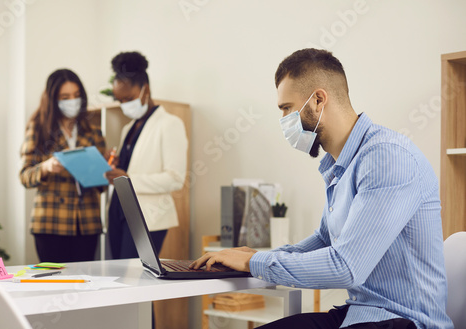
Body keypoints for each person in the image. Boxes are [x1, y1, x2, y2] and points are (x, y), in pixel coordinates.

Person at [191, 49, 453, 329]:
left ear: (318, 100)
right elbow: (325, 239)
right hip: (360, 313)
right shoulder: (341, 165)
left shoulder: (386, 158)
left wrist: (256, 263)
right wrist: (254, 257)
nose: (283, 120)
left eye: (286, 108)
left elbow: (346, 267)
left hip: (404, 321)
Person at [105, 51, 188, 260]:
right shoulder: (128, 128)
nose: (124, 105)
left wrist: (129, 180)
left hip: (148, 217)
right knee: (117, 279)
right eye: (120, 100)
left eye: (129, 98)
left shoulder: (170, 124)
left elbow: (175, 179)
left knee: (135, 283)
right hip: (118, 212)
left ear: (146, 90)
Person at [20, 69, 106, 263]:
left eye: (76, 96)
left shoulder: (93, 131)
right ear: (53, 99)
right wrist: (46, 167)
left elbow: (102, 184)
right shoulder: (39, 127)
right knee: (54, 285)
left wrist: (105, 169)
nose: (72, 101)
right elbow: (24, 175)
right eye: (65, 97)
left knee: (85, 284)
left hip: (87, 222)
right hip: (50, 222)